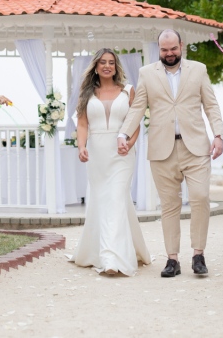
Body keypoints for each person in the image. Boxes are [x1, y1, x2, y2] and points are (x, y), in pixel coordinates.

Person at [118, 30, 223, 277]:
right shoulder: (147, 73)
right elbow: (137, 108)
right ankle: (172, 259)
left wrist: (218, 135)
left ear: (181, 46)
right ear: (159, 49)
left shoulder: (198, 70)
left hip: (196, 147)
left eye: (173, 49)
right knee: (169, 205)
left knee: (200, 198)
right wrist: (123, 134)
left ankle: (198, 254)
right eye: (164, 50)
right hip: (161, 149)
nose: (169, 54)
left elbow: (211, 104)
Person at [71, 49, 151, 276]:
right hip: (96, 155)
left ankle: (111, 258)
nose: (107, 66)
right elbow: (83, 124)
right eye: (103, 62)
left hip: (122, 154)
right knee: (103, 201)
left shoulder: (128, 91)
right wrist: (82, 146)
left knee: (116, 198)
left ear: (116, 67)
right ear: (95, 66)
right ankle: (124, 248)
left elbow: (135, 122)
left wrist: (129, 142)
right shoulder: (87, 93)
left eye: (111, 63)